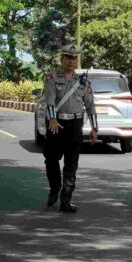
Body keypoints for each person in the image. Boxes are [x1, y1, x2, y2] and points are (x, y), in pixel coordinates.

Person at [43, 45, 98, 213]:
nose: (71, 61)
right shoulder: (51, 78)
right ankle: (55, 187)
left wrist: (94, 128)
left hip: (75, 126)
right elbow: (50, 100)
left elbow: (90, 106)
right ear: (62, 59)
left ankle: (65, 200)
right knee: (51, 159)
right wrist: (52, 118)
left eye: (74, 58)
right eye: (68, 58)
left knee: (71, 165)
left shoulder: (83, 83)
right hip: (56, 124)